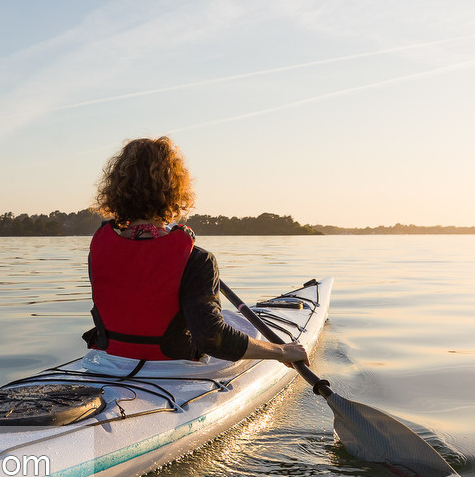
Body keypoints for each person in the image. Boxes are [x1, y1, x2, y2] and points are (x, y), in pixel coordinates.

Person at [85, 137, 309, 367]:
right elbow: (213, 339)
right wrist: (281, 351)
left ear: (115, 190)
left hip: (107, 361)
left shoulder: (99, 247)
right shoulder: (198, 259)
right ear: (175, 191)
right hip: (173, 369)